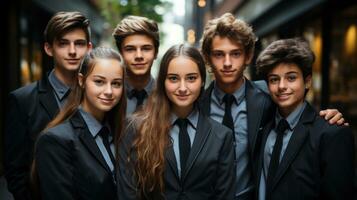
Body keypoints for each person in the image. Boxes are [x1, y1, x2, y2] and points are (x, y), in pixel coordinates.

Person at [199, 13, 346, 200]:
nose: (227, 63)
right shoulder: (196, 105)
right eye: (219, 54)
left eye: (235, 53)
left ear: (248, 56)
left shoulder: (267, 98)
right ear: (208, 58)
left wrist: (327, 116)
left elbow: (298, 113)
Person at [117, 44, 235, 200]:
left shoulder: (222, 136)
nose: (183, 88)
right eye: (173, 78)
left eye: (191, 78)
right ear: (163, 82)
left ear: (201, 81)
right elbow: (128, 193)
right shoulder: (135, 128)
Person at [4, 11, 92, 200]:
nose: (72, 51)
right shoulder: (22, 100)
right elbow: (15, 171)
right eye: (63, 43)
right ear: (48, 48)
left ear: (89, 48)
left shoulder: (99, 97)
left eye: (79, 43)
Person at [254, 38, 354, 200]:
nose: (281, 86)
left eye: (291, 78)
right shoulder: (263, 125)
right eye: (274, 80)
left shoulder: (332, 133)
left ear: (307, 82)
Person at [33, 47, 126, 200]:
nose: (109, 91)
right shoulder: (55, 140)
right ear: (82, 80)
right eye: (99, 82)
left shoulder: (120, 133)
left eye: (116, 84)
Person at [112, 15, 159, 114]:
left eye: (146, 48)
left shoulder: (166, 96)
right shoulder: (108, 94)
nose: (139, 56)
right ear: (121, 54)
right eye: (130, 49)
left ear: (156, 53)